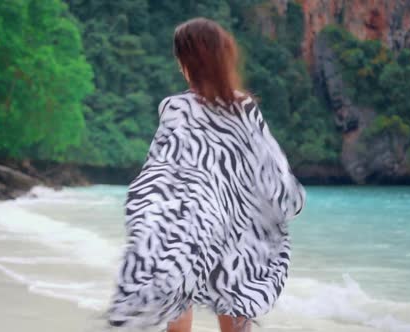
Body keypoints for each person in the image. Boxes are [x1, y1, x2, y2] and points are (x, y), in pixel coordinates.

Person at [106, 17, 306, 332]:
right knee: (235, 306)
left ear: (185, 63)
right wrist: (287, 202)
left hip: (190, 225)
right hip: (236, 227)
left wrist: (148, 217)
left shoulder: (174, 107)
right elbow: (271, 168)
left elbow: (160, 171)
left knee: (178, 296)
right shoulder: (244, 107)